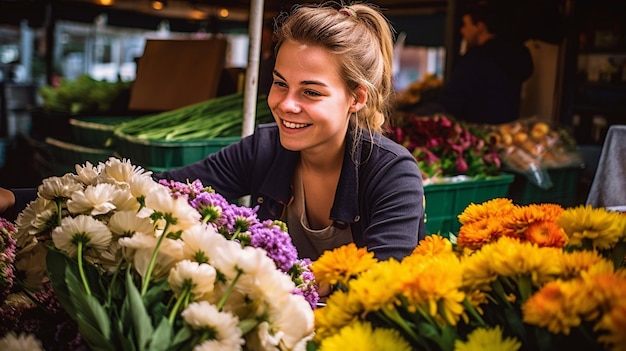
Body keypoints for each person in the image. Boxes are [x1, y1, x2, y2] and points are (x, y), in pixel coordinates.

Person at [0, 2, 426, 262]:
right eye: (280, 83)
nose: (286, 104)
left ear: (356, 98)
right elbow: (156, 190)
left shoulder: (391, 174)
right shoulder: (265, 149)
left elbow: (379, 287)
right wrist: (17, 198)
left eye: (311, 92)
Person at [439, 1, 534, 125]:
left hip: (476, 134)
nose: (462, 31)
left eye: (465, 25)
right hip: (505, 133)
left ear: (479, 27)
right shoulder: (514, 56)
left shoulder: (474, 61)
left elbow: (452, 102)